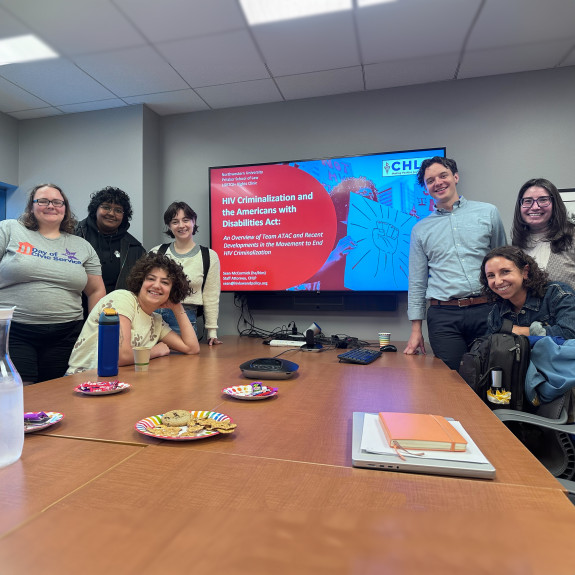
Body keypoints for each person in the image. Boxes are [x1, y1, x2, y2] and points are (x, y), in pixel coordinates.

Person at [403, 157, 507, 370]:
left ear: (455, 177)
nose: (438, 182)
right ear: (426, 188)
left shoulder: (488, 213)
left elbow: (504, 263)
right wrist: (416, 331)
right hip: (444, 316)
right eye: (430, 180)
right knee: (452, 381)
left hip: (487, 309)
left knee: (493, 375)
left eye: (443, 175)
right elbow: (417, 281)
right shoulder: (420, 230)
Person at [0, 183, 106, 384]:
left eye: (57, 202)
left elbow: (96, 290)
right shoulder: (9, 229)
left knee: (58, 392)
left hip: (66, 334)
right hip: (15, 332)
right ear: (31, 206)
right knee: (21, 393)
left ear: (65, 208)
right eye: (43, 201)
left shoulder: (82, 246)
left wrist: (93, 330)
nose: (51, 206)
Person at [67, 252, 200, 373]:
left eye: (165, 282)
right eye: (151, 279)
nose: (156, 285)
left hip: (115, 383)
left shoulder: (157, 321)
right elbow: (120, 356)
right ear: (141, 281)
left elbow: (191, 348)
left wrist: (177, 306)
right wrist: (156, 351)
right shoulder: (123, 299)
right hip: (83, 380)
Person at [150, 202, 222, 345]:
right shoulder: (157, 252)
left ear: (194, 222)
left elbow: (211, 295)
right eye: (175, 222)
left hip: (184, 317)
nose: (181, 225)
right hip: (153, 316)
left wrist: (212, 331)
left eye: (186, 220)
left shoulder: (208, 256)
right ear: (169, 226)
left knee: (181, 364)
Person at [480, 246, 575, 339]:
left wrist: (522, 331)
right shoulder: (497, 312)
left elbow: (570, 333)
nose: (498, 281)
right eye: (491, 275)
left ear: (525, 271)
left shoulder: (557, 294)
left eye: (505, 271)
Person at [75, 186, 146, 295]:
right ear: (95, 209)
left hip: (116, 309)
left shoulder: (134, 248)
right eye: (106, 207)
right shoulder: (74, 234)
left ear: (124, 215)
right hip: (75, 308)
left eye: (118, 210)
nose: (111, 213)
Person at [511, 178, 575, 288]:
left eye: (543, 200)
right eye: (528, 201)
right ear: (520, 206)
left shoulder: (572, 236)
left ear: (555, 204)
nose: (535, 207)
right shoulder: (517, 245)